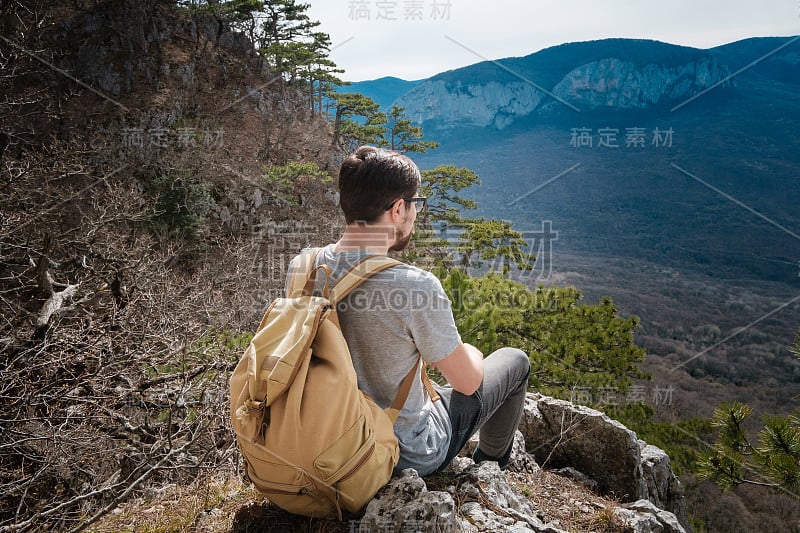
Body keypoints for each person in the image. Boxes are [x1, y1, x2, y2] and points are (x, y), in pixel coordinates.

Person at [286, 145, 530, 476]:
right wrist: (469, 351)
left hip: (322, 442)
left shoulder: (303, 266)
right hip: (403, 453)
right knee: (516, 360)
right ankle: (489, 469)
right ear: (398, 209)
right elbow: (468, 382)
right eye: (416, 203)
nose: (417, 212)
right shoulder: (415, 286)